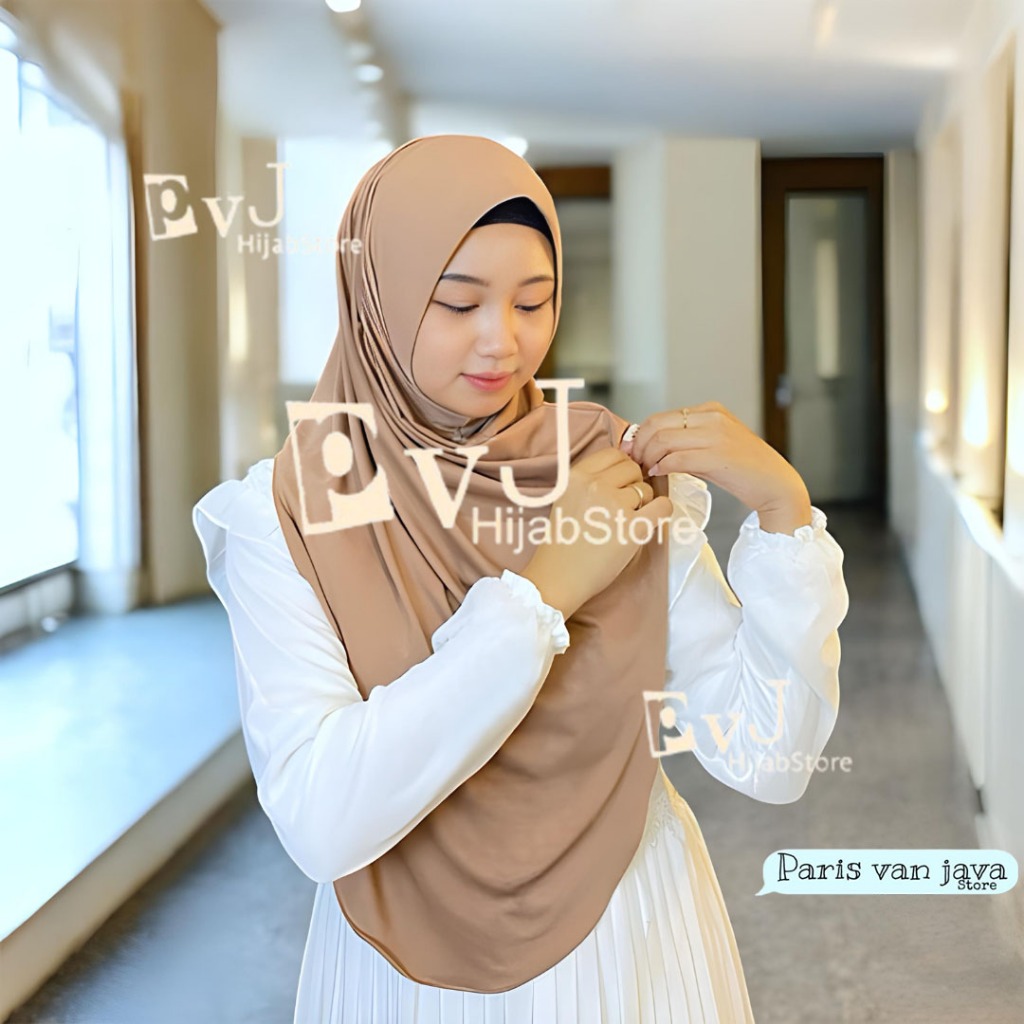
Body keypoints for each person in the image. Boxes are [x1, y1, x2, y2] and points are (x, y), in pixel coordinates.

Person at [193, 134, 849, 1023]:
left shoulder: (612, 477)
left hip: (631, 946)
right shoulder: (288, 513)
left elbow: (770, 760)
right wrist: (539, 595)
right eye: (457, 302)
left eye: (533, 302)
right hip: (402, 977)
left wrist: (783, 513)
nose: (503, 340)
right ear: (376, 297)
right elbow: (322, 819)